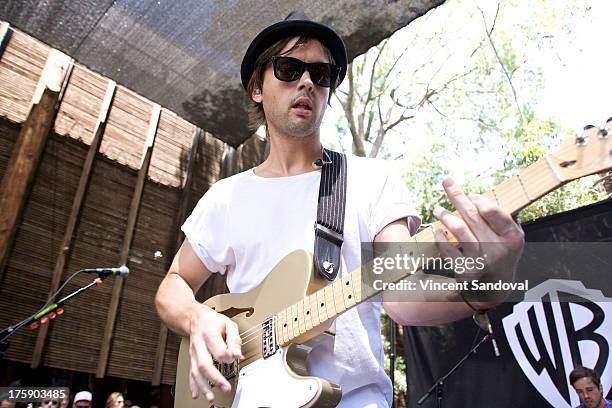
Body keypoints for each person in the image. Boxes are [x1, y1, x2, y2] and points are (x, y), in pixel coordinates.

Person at [155, 12, 524, 407]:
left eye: (321, 74)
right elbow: (174, 284)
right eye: (289, 68)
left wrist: (484, 288)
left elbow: (402, 298)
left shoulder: (372, 180)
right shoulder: (225, 197)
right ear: (257, 88)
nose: (307, 82)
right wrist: (197, 319)